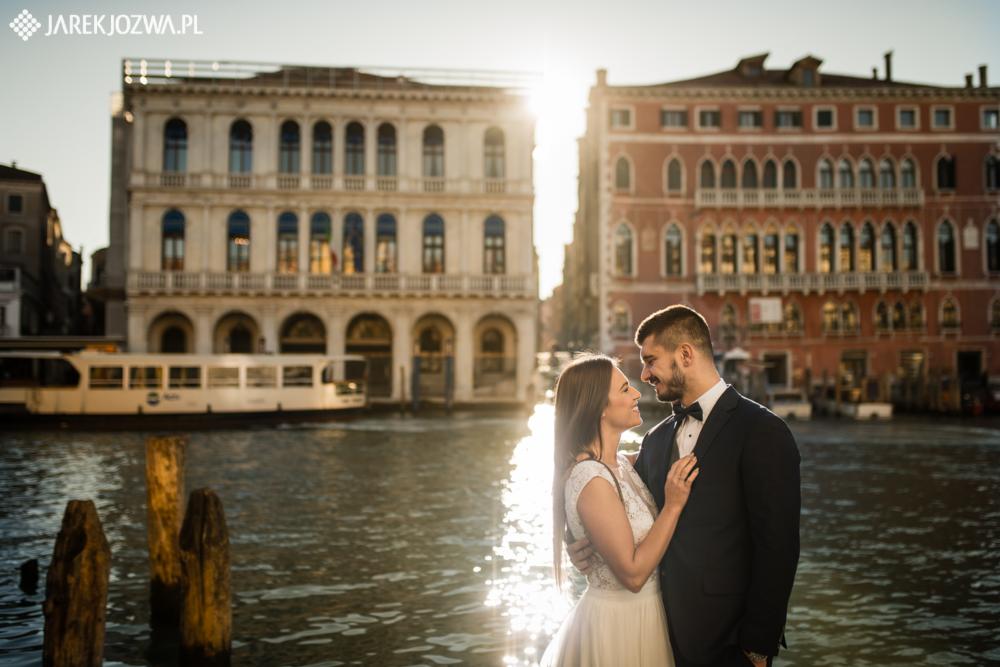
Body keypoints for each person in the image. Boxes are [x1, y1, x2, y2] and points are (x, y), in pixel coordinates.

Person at [569, 305, 800, 666]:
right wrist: (580, 544)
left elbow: (778, 549)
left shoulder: (762, 431)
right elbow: (608, 490)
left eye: (650, 360)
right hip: (656, 633)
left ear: (686, 354)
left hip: (728, 641)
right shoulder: (657, 440)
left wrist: (758, 646)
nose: (644, 373)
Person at [541, 353, 699, 666]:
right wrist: (674, 504)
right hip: (617, 627)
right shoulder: (591, 478)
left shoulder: (622, 465)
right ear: (598, 407)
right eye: (625, 389)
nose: (638, 393)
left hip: (645, 616)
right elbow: (633, 574)